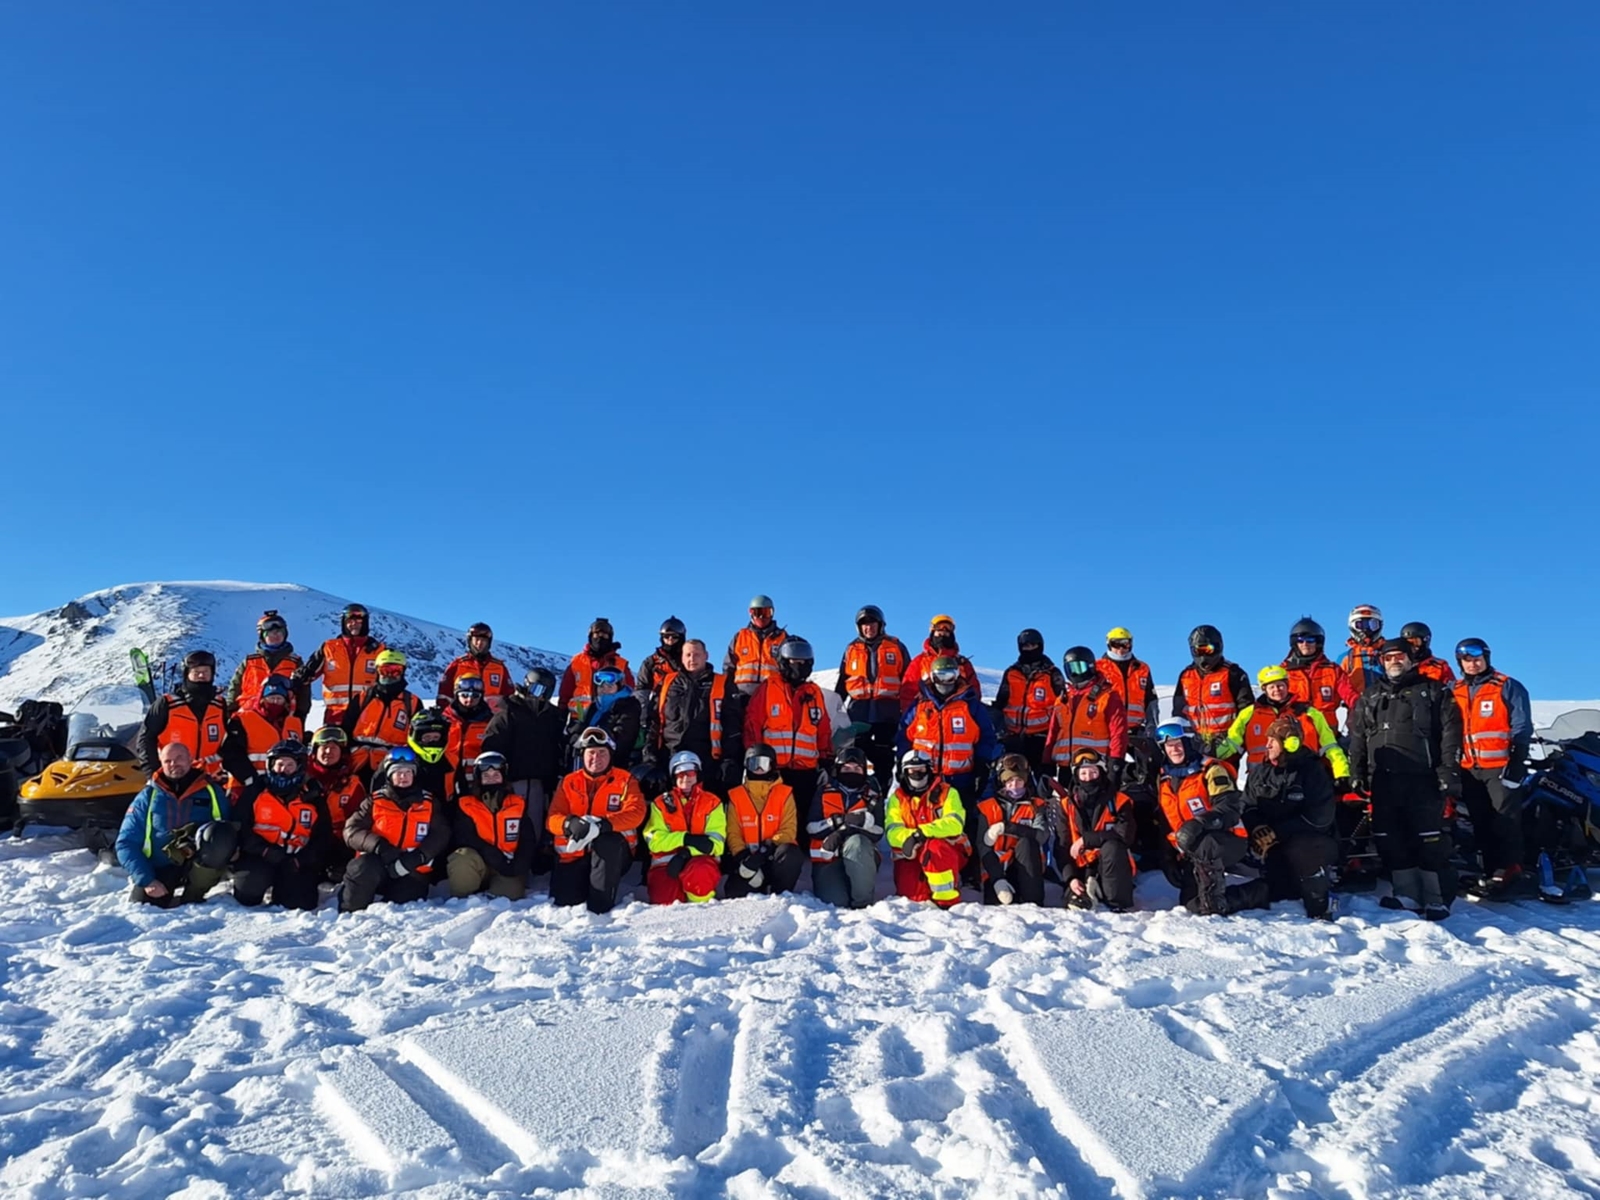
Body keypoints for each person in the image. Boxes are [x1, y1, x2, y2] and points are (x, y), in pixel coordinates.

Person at [1347, 639, 1463, 920]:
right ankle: (1407, 893)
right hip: (1383, 780)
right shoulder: (1370, 696)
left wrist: (1448, 771)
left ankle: (1437, 898)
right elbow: (1358, 738)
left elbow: (1450, 735)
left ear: (1411, 659)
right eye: (1388, 658)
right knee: (1391, 838)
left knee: (1428, 838)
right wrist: (1357, 772)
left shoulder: (1434, 692)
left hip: (1423, 777)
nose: (1394, 662)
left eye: (1399, 656)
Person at [1154, 720, 1266, 915]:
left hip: (1227, 840)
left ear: (1189, 743)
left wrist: (1199, 823)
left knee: (1207, 844)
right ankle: (1252, 893)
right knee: (1191, 903)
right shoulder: (1164, 778)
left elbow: (1229, 809)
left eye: (1178, 744)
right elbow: (1165, 820)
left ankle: (1215, 904)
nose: (1174, 750)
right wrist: (1168, 858)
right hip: (1190, 847)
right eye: (1169, 745)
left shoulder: (1211, 770)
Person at [1453, 637, 1534, 897]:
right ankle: (1491, 872)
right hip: (1469, 768)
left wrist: (1517, 761)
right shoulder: (1455, 690)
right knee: (1481, 821)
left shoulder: (1506, 685)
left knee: (1505, 820)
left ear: (1486, 658)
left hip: (1500, 767)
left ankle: (1512, 869)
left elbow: (1521, 725)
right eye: (1466, 660)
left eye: (1477, 659)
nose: (1473, 664)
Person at [116, 740, 234, 907]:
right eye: (168, 761)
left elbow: (229, 830)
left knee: (219, 833)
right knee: (143, 905)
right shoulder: (148, 796)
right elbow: (125, 842)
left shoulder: (211, 791)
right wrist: (146, 879)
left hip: (199, 863)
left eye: (179, 758)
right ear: (161, 763)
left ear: (190, 759)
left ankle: (193, 895)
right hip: (160, 866)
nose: (174, 764)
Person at [1243, 717, 1338, 920]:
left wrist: (1276, 832)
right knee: (1280, 890)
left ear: (1290, 743)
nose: (1267, 745)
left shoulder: (1312, 771)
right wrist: (1258, 828)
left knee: (1305, 849)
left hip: (1309, 844)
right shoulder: (1260, 772)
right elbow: (1247, 805)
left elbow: (1320, 818)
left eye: (1273, 741)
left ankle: (1319, 906)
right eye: (1267, 740)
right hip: (1272, 847)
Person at [546, 727, 646, 913]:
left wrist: (603, 825)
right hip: (574, 854)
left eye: (602, 753)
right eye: (591, 753)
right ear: (582, 755)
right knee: (566, 902)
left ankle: (601, 909)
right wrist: (569, 824)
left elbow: (636, 812)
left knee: (607, 843)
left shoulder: (625, 780)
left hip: (612, 855)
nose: (596, 758)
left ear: (610, 755)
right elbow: (552, 818)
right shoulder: (569, 782)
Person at [339, 746, 449, 913]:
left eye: (408, 772)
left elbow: (441, 834)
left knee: (402, 910)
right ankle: (349, 912)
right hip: (377, 863)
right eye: (398, 772)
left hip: (412, 869)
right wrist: (379, 846)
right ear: (389, 775)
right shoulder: (374, 801)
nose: (403, 776)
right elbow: (351, 831)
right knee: (361, 869)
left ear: (414, 774)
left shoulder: (429, 803)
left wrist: (418, 857)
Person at [233, 739, 332, 911]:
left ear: (299, 767)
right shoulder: (256, 791)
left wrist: (302, 860)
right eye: (279, 764)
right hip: (261, 856)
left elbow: (323, 836)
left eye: (289, 765)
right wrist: (265, 851)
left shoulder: (313, 797)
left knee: (301, 905)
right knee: (247, 894)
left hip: (296, 861)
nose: (283, 770)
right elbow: (241, 827)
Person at [480, 667, 566, 858]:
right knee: (512, 824)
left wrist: (555, 773)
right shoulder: (509, 711)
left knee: (536, 823)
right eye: (536, 689)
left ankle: (533, 856)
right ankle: (510, 858)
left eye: (546, 692)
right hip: (513, 779)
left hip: (540, 780)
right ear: (526, 685)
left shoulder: (552, 715)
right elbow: (491, 744)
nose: (539, 696)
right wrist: (497, 776)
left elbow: (557, 745)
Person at [744, 637, 833, 820]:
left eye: (803, 662)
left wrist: (826, 759)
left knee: (804, 819)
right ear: (783, 662)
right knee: (776, 819)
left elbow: (823, 729)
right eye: (793, 661)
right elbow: (753, 725)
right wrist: (755, 758)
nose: (798, 666)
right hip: (774, 770)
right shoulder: (768, 688)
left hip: (806, 771)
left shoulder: (814, 693)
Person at [1217, 666, 1350, 780]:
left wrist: (1341, 773)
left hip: (1303, 778)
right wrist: (1214, 753)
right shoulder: (1249, 714)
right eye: (1271, 687)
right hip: (1262, 781)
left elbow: (1330, 746)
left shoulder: (1309, 713)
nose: (1277, 690)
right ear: (1264, 689)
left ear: (1287, 685)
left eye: (1280, 685)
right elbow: (1232, 743)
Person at [834, 605, 912, 786]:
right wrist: (834, 709)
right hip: (858, 712)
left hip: (887, 713)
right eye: (864, 624)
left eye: (872, 623)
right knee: (855, 753)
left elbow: (908, 682)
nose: (868, 628)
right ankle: (857, 791)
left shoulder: (896, 647)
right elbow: (843, 681)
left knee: (884, 758)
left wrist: (908, 713)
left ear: (881, 625)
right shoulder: (851, 649)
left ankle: (880, 792)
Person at [653, 639, 740, 793]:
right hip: (670, 754)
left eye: (697, 654)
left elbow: (732, 724)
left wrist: (729, 758)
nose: (692, 659)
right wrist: (650, 756)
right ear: (682, 657)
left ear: (706, 656)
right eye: (688, 655)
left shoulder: (722, 683)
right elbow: (654, 720)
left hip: (707, 758)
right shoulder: (667, 682)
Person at [885, 749, 969, 907]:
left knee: (934, 848)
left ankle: (947, 900)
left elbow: (955, 824)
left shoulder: (948, 793)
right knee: (913, 897)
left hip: (946, 850)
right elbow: (892, 831)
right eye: (912, 770)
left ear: (930, 770)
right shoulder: (897, 798)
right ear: (903, 773)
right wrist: (912, 839)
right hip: (910, 852)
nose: (917, 774)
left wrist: (922, 833)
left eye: (921, 769)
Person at [642, 750, 727, 905]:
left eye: (690, 773)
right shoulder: (660, 803)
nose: (686, 778)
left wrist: (686, 853)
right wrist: (685, 839)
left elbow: (716, 844)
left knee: (700, 873)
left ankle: (701, 908)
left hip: (699, 861)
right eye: (680, 774)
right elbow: (654, 841)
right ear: (673, 777)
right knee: (664, 900)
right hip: (665, 864)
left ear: (698, 774)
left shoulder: (712, 803)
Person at [447, 751, 534, 899]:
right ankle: (463, 899)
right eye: (486, 776)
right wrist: (491, 854)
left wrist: (519, 864)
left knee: (509, 894)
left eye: (496, 775)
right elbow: (465, 837)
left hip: (507, 863)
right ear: (478, 777)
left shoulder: (517, 804)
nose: (491, 779)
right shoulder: (466, 804)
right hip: (479, 862)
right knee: (461, 858)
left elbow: (528, 839)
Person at [1058, 749, 1136, 912]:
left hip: (1110, 865)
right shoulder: (1066, 805)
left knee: (1113, 846)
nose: (1088, 778)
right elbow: (1062, 845)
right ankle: (1082, 887)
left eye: (1093, 772)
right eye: (1083, 773)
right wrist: (1071, 878)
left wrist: (1086, 840)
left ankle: (1115, 902)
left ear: (1101, 773)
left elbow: (1125, 834)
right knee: (1075, 901)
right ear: (1076, 776)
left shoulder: (1119, 801)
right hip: (1079, 866)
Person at [724, 742, 804, 898]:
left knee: (791, 854)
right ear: (746, 765)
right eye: (754, 764)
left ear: (772, 766)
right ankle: (757, 886)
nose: (759, 769)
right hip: (749, 858)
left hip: (774, 855)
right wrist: (743, 857)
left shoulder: (784, 793)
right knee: (734, 892)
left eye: (764, 763)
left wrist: (767, 848)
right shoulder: (736, 795)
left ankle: (781, 895)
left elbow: (789, 829)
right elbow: (733, 833)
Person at [807, 746, 884, 908]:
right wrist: (837, 822)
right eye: (847, 768)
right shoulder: (824, 791)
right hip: (827, 856)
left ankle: (862, 903)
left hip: (859, 853)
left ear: (864, 771)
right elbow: (811, 828)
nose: (852, 772)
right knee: (836, 902)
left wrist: (850, 829)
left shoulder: (873, 795)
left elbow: (878, 831)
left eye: (857, 768)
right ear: (838, 769)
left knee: (857, 843)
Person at [291, 602, 385, 726]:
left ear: (365, 622)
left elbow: (389, 681)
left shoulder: (379, 651)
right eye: (350, 621)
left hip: (367, 716)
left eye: (358, 620)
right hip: (335, 716)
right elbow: (307, 674)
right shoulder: (329, 648)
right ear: (344, 623)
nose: (354, 624)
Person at [137, 649, 228, 776]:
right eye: (196, 672)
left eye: (206, 671)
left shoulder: (220, 705)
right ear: (187, 674)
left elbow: (229, 742)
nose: (201, 675)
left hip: (210, 778)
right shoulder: (167, 704)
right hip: (173, 777)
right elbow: (146, 739)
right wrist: (153, 773)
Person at [975, 752, 1049, 906]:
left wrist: (1007, 827)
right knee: (997, 905)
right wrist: (997, 879)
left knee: (1027, 843)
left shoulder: (1036, 806)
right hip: (997, 866)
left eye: (1019, 781)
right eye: (1009, 781)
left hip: (1027, 866)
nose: (1014, 786)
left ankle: (1034, 903)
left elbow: (1041, 835)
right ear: (1002, 782)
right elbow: (983, 847)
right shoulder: (987, 807)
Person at [1170, 625, 1253, 762]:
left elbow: (1247, 711)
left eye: (1208, 649)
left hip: (1225, 743)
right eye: (1199, 650)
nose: (1203, 655)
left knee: (1222, 775)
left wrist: (1235, 742)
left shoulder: (1233, 673)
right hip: (1195, 744)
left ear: (1218, 647)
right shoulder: (1186, 676)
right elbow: (1178, 711)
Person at [1045, 647, 1128, 783]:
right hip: (1065, 768)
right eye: (1070, 668)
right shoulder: (1063, 699)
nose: (1074, 673)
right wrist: (1046, 762)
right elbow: (1053, 733)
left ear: (1090, 666)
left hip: (1094, 767)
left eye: (1079, 667)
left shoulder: (1107, 696)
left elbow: (1118, 733)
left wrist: (1116, 761)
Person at [219, 674, 306, 797]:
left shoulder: (294, 723)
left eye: (279, 699)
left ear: (286, 701)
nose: (275, 702)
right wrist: (250, 779)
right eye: (271, 698)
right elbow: (231, 754)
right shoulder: (243, 720)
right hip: (245, 788)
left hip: (283, 789)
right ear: (261, 699)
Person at [340, 649, 425, 773]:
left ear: (403, 672)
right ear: (377, 671)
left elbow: (417, 739)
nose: (389, 675)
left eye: (395, 670)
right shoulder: (363, 698)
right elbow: (346, 728)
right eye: (384, 670)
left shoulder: (412, 702)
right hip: (356, 761)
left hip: (391, 764)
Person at [992, 629, 1064, 769]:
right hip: (1012, 737)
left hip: (1042, 737)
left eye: (1033, 645)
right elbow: (1000, 702)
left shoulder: (1051, 674)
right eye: (1025, 646)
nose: (1029, 649)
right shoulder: (1011, 673)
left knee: (1042, 778)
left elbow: (1063, 705)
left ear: (1040, 646)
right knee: (1013, 777)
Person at [1282, 617, 1358, 734]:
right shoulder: (1284, 672)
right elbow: (1273, 701)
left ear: (1318, 643)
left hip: (1326, 733)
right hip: (1295, 733)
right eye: (1300, 640)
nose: (1305, 644)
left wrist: (1362, 705)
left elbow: (1349, 694)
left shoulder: (1333, 670)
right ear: (1295, 643)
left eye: (1310, 640)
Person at [227, 610, 310, 716]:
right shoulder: (249, 661)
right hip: (248, 716)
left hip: (282, 716)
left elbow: (304, 692)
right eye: (270, 633)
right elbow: (235, 687)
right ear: (262, 636)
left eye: (279, 632)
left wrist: (300, 715)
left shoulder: (295, 662)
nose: (276, 635)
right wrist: (230, 711)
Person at [306, 724, 365, 861]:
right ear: (314, 751)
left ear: (342, 752)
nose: (328, 751)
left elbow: (359, 823)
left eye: (334, 748)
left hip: (338, 843)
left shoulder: (352, 784)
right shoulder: (302, 780)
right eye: (324, 747)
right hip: (305, 840)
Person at [559, 618, 635, 722]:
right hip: (580, 717)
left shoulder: (620, 664)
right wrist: (561, 713)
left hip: (609, 718)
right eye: (596, 634)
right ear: (590, 637)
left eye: (604, 635)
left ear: (610, 638)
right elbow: (566, 691)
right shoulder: (577, 662)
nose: (600, 638)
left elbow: (629, 691)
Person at [566, 665, 641, 769]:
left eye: (609, 686)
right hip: (588, 763)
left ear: (619, 687)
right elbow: (581, 727)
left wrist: (591, 741)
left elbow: (624, 737)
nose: (604, 690)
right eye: (601, 687)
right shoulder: (594, 707)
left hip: (613, 765)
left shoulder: (628, 706)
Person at [898, 614, 981, 707]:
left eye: (947, 629)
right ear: (932, 631)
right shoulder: (920, 661)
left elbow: (975, 691)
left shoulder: (963, 663)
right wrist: (911, 713)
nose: (943, 632)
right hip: (927, 712)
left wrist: (972, 710)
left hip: (957, 711)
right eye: (939, 629)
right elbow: (908, 691)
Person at [1096, 627, 1159, 738]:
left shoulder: (1142, 668)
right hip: (1108, 730)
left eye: (1125, 644)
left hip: (1137, 731)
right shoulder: (1098, 668)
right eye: (1116, 644)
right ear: (1109, 644)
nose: (1121, 648)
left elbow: (1150, 699)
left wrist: (1151, 724)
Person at [437, 623, 515, 711]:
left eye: (483, 640)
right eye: (476, 640)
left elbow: (509, 696)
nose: (479, 643)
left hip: (492, 717)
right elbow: (444, 695)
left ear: (489, 642)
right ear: (470, 641)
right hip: (463, 716)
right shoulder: (458, 665)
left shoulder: (499, 668)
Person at [725, 595, 789, 696]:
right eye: (757, 613)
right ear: (751, 613)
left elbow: (789, 668)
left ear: (772, 614)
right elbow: (728, 667)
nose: (761, 617)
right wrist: (729, 690)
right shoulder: (740, 637)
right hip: (742, 694)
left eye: (766, 612)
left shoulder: (782, 638)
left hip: (771, 693)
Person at [441, 673, 493, 796]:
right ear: (456, 695)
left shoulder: (490, 722)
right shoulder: (443, 720)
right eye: (464, 695)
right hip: (445, 784)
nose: (469, 700)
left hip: (476, 786)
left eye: (475, 696)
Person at [636, 616, 688, 723]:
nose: (670, 640)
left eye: (674, 636)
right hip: (658, 713)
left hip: (686, 710)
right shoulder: (651, 662)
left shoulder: (689, 661)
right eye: (666, 636)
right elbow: (642, 691)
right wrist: (642, 718)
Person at [1341, 604, 1386, 697]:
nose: (1366, 629)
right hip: (1357, 704)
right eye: (1360, 625)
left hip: (1387, 703)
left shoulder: (1388, 654)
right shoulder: (1346, 659)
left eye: (1373, 625)